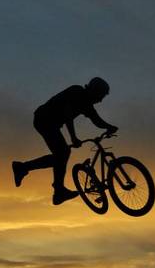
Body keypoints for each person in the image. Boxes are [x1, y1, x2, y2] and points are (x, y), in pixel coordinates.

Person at [12, 77, 118, 205]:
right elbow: (67, 113)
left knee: (60, 156)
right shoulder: (77, 91)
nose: (100, 100)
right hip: (44, 118)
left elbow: (97, 120)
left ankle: (24, 168)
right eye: (100, 96)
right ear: (94, 90)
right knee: (63, 153)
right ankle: (58, 190)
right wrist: (73, 137)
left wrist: (109, 126)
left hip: (51, 123)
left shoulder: (87, 105)